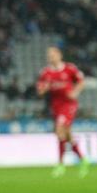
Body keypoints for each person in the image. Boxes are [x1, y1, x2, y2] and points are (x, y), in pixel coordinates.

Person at [36, 46, 89, 178]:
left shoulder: (70, 68)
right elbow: (40, 91)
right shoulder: (45, 73)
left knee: (59, 129)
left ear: (59, 55)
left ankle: (60, 164)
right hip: (56, 105)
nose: (50, 57)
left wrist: (75, 92)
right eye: (49, 55)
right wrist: (45, 88)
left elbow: (81, 81)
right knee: (66, 134)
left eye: (52, 55)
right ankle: (83, 159)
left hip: (69, 104)